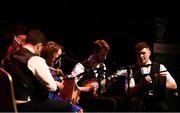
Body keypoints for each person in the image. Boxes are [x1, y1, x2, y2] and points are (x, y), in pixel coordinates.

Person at [2, 29, 73, 112]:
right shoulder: (35, 59)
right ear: (39, 46)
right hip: (26, 105)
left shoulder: (12, 55)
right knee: (67, 106)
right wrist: (55, 83)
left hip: (9, 102)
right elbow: (52, 87)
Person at [70, 39, 126, 112]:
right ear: (94, 52)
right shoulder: (81, 66)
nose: (105, 58)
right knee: (112, 102)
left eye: (106, 55)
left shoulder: (102, 66)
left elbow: (102, 89)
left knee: (121, 101)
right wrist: (87, 88)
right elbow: (70, 85)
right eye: (102, 55)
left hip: (96, 98)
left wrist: (110, 81)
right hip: (83, 98)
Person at [127, 41, 177, 111]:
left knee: (162, 106)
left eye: (143, 53)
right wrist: (141, 84)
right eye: (138, 54)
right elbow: (129, 92)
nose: (140, 56)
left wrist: (157, 83)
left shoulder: (160, 67)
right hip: (139, 100)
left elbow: (174, 85)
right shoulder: (131, 69)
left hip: (156, 99)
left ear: (149, 53)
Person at [40, 41, 83, 113]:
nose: (58, 58)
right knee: (76, 109)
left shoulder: (52, 68)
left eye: (59, 56)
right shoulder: (41, 65)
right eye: (57, 55)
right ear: (50, 53)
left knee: (77, 108)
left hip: (55, 97)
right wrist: (54, 81)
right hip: (47, 98)